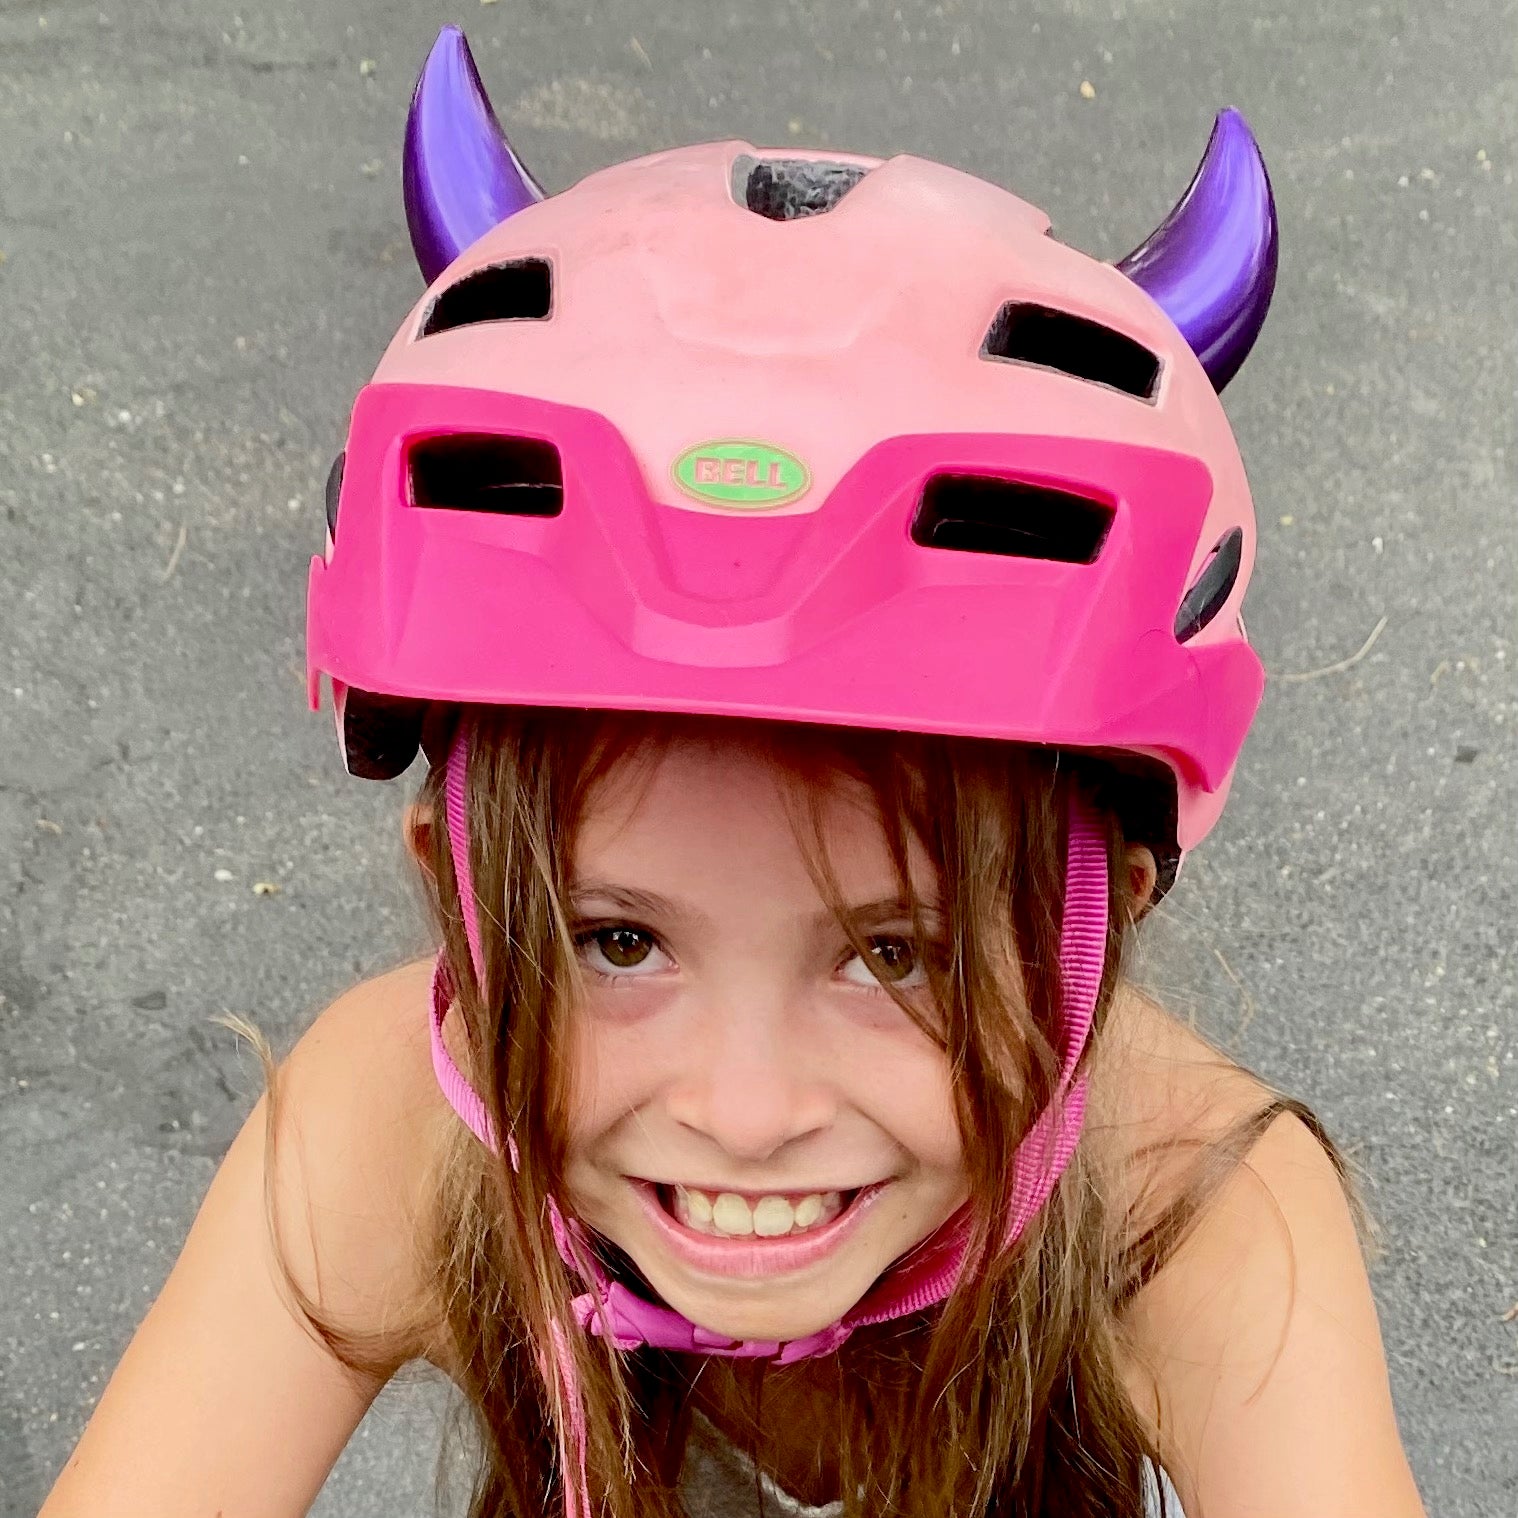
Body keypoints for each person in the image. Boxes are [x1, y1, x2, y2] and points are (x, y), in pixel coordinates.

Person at [38, 26, 1427, 1518]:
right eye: (615, 939)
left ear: (1103, 921)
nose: (746, 1109)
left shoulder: (1185, 1211)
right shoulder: (389, 1127)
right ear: (458, 898)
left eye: (893, 952)